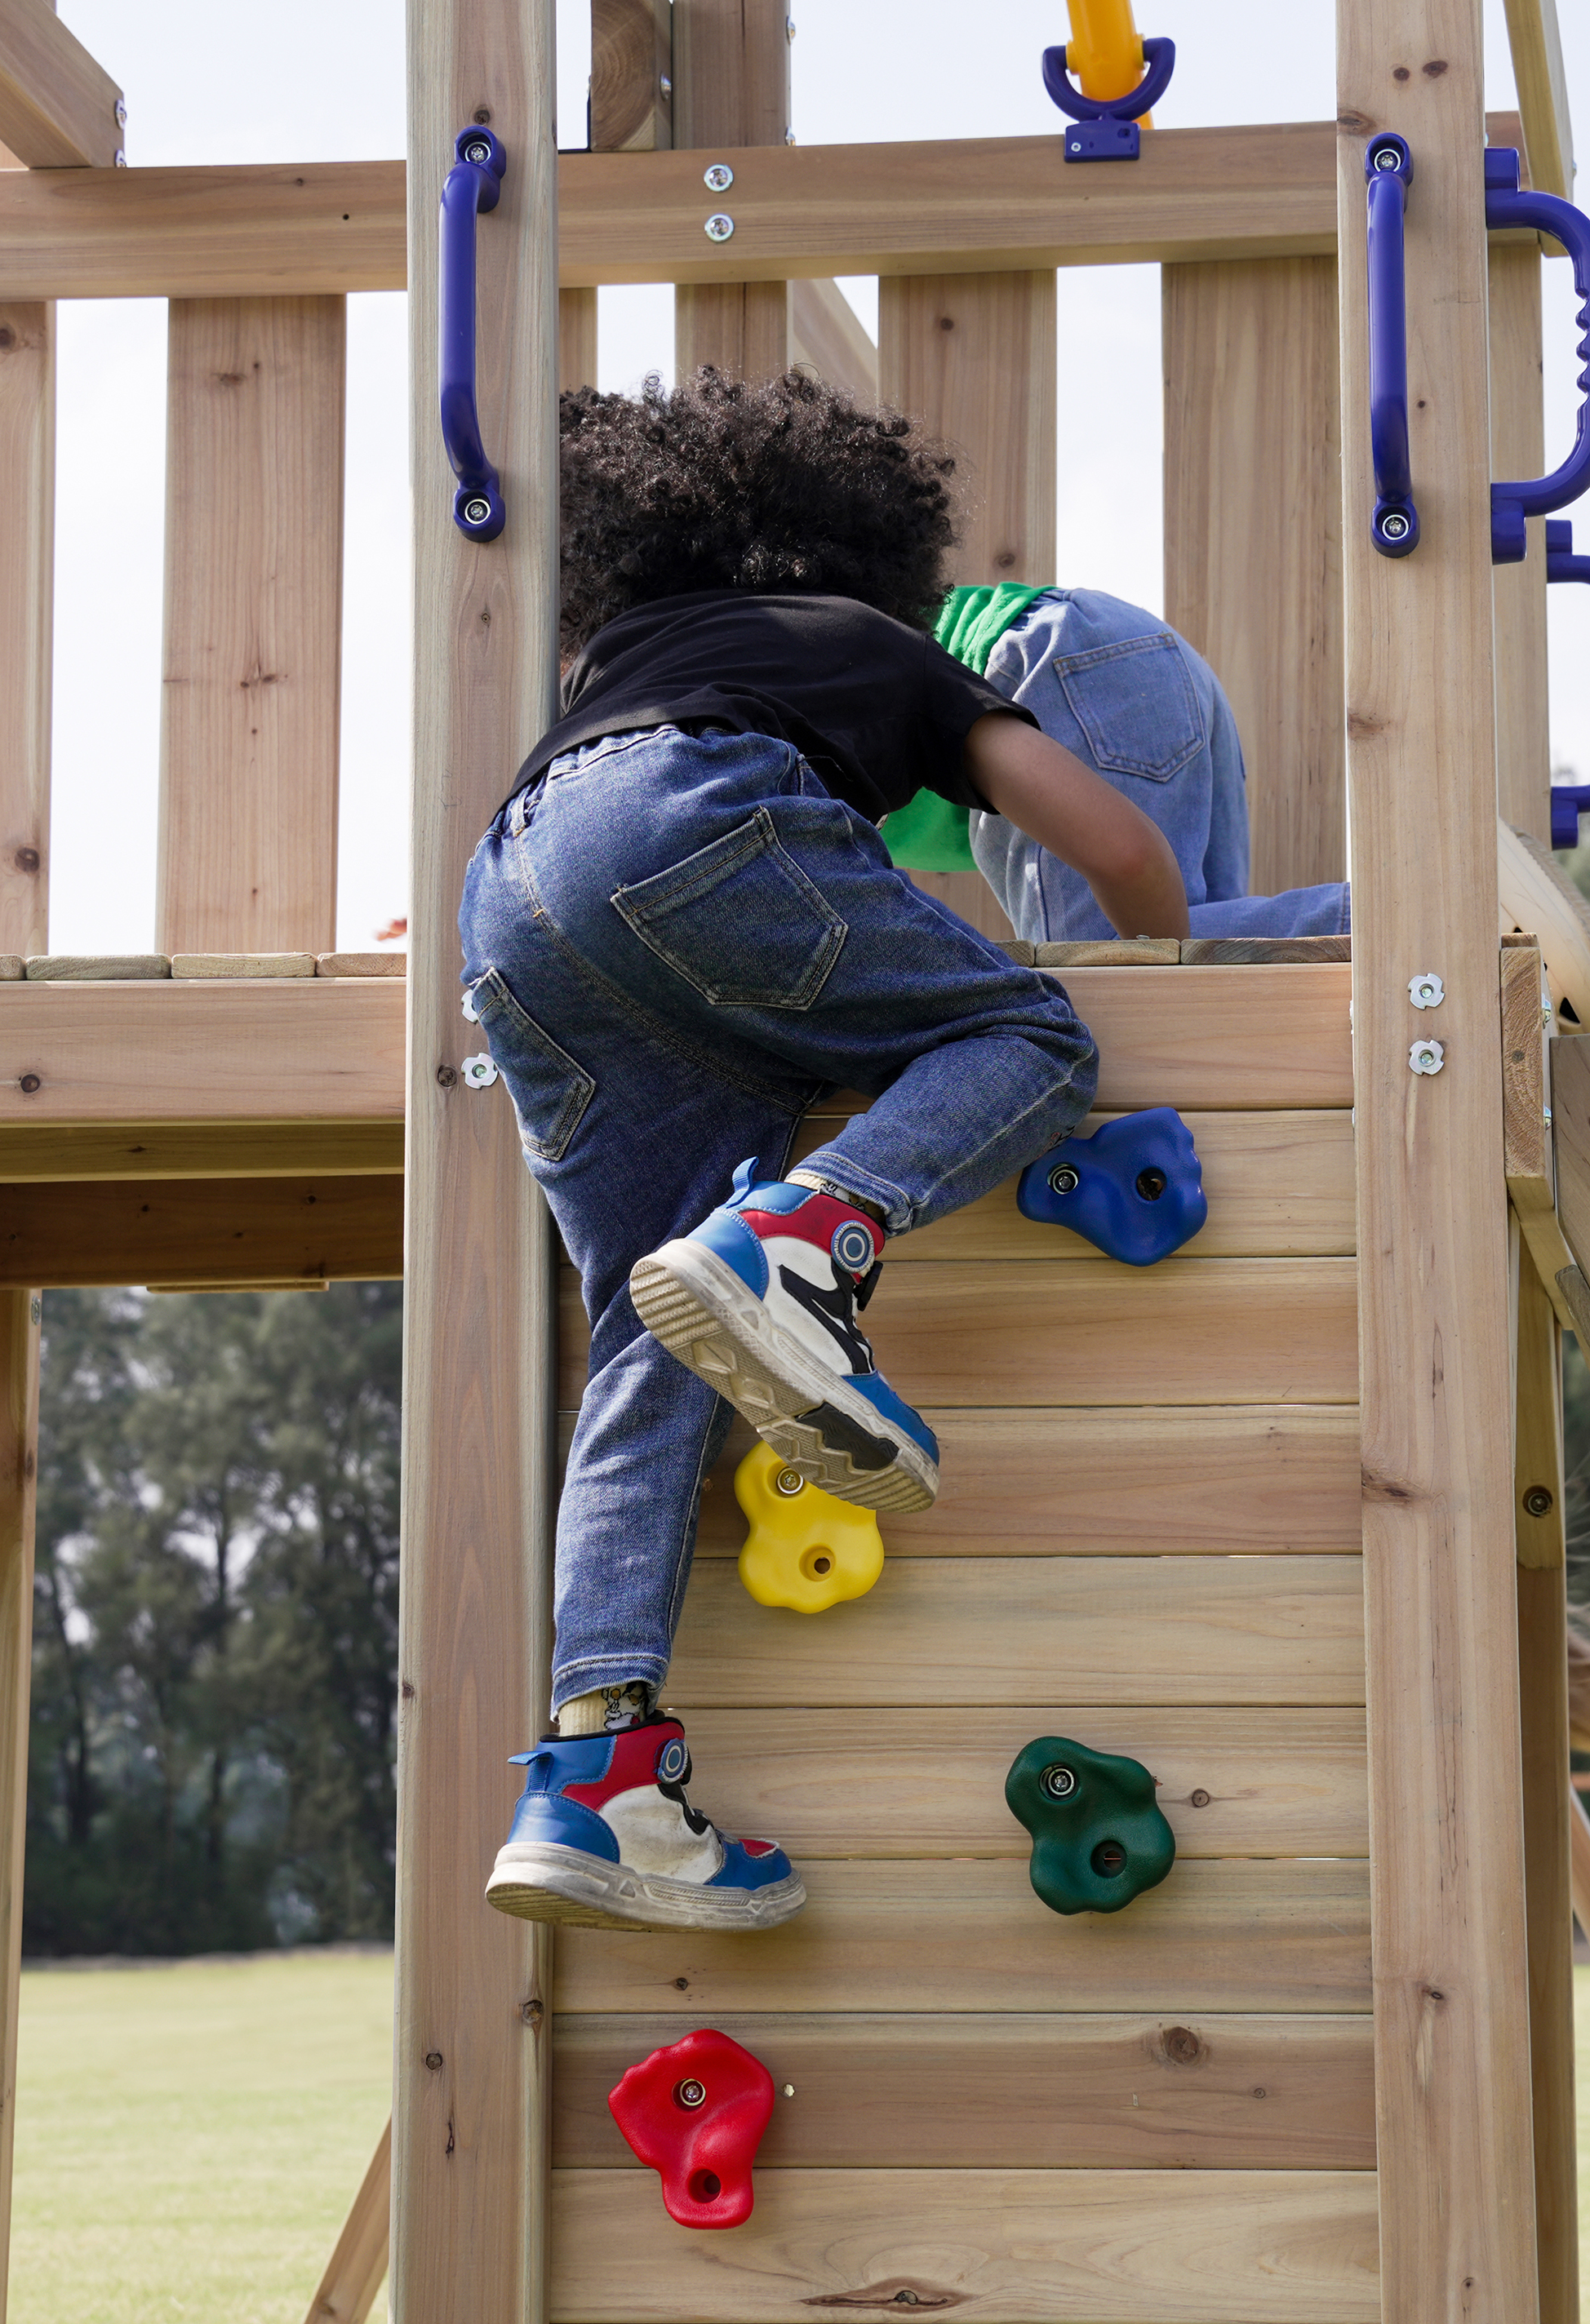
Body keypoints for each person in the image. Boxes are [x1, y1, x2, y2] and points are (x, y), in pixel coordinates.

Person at [469, 369, 1186, 1935]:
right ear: (863, 559)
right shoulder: (873, 646)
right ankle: (810, 1241)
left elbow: (642, 896)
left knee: (642, 1349)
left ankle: (601, 1779)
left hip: (514, 905)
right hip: (696, 826)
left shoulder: (612, 659)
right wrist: (1168, 979)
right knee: (1037, 1037)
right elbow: (1119, 847)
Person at [883, 587, 1351, 942]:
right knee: (1206, 981)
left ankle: (1393, 920)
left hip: (1044, 662)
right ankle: (1388, 921)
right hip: (1143, 659)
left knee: (1101, 974)